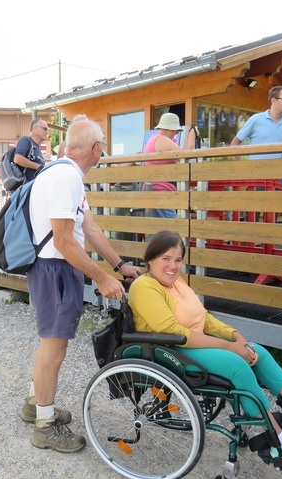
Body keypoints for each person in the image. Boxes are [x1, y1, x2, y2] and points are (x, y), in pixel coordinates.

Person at [128, 230, 282, 467]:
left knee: (257, 351)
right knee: (236, 365)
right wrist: (230, 348)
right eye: (166, 258)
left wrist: (236, 337)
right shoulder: (144, 287)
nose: (173, 266)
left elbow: (204, 318)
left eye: (178, 260)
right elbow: (174, 331)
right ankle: (279, 442)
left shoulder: (176, 283)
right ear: (150, 259)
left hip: (189, 344)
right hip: (168, 350)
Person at [21, 119, 141, 453]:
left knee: (51, 344)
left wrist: (119, 266)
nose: (103, 149)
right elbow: (63, 240)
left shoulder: (65, 174)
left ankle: (36, 404)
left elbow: (90, 229)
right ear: (95, 148)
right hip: (54, 268)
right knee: (54, 347)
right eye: (103, 143)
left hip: (57, 268)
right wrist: (102, 278)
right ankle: (44, 425)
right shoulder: (65, 177)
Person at [142, 112, 197, 218]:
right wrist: (192, 134)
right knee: (171, 231)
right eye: (175, 131)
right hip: (161, 193)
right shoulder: (161, 139)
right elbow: (186, 154)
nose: (175, 135)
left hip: (154, 191)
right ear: (171, 129)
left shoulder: (153, 139)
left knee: (160, 232)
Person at [230, 86, 282, 160]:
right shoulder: (256, 119)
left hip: (280, 170)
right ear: (273, 100)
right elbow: (234, 143)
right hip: (256, 170)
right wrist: (242, 166)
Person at [12, 118, 50, 189]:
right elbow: (17, 158)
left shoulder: (36, 147)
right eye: (45, 129)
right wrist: (38, 166)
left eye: (47, 129)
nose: (47, 132)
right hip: (26, 189)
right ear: (35, 128)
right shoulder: (26, 140)